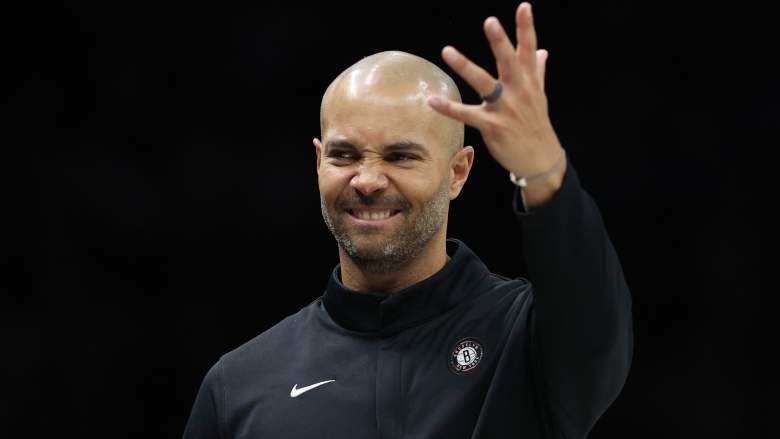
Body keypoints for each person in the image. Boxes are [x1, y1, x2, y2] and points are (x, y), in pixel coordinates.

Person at [182, 2, 633, 438]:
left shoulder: (530, 340)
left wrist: (543, 171)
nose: (367, 180)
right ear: (318, 162)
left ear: (458, 171)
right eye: (344, 155)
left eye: (400, 156)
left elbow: (597, 327)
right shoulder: (238, 386)